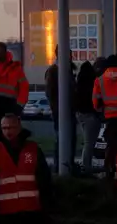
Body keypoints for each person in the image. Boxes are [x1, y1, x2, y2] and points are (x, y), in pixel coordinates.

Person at [45, 44, 77, 173]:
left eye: (70, 54)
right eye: (67, 53)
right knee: (61, 139)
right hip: (60, 112)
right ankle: (59, 167)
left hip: (70, 111)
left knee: (71, 139)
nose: (69, 56)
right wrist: (57, 109)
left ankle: (69, 164)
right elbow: (50, 93)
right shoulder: (53, 71)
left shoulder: (69, 69)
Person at [75, 61, 102, 175]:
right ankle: (86, 166)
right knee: (89, 143)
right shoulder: (93, 83)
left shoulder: (79, 83)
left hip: (81, 114)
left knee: (87, 142)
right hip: (91, 114)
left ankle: (86, 165)